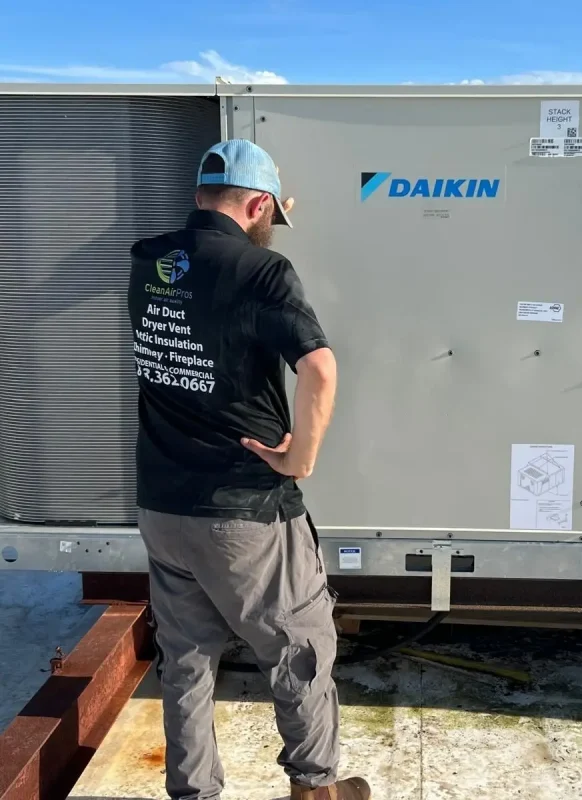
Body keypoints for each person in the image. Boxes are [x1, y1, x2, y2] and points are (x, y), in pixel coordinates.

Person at [127, 139, 369, 800]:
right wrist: (300, 457)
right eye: (269, 214)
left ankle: (195, 794)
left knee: (187, 661)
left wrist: (259, 219)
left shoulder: (150, 263)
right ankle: (315, 789)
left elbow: (210, 268)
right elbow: (319, 366)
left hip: (162, 505)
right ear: (258, 204)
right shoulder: (264, 272)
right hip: (244, 511)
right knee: (298, 646)